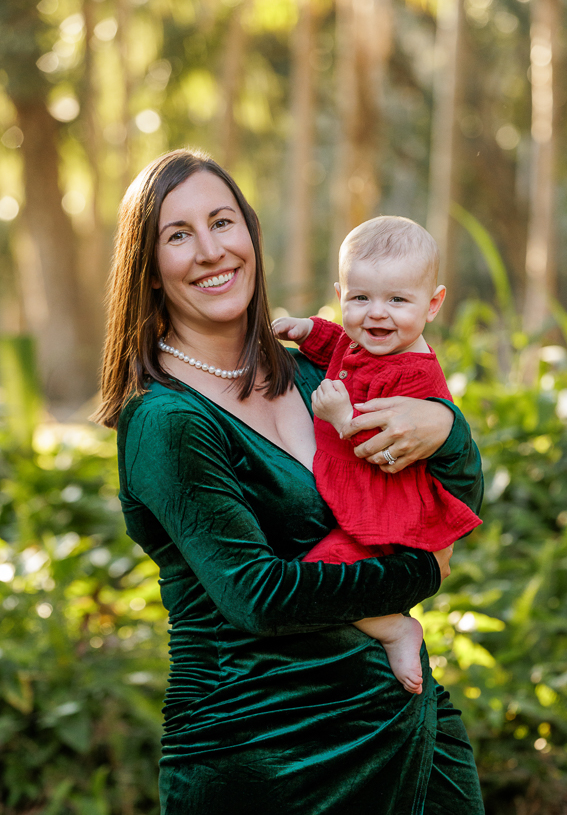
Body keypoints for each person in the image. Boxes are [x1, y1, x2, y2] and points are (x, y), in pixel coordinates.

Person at [93, 148, 485, 815]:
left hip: (407, 729)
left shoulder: (315, 372)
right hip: (267, 756)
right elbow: (260, 596)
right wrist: (422, 578)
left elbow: (439, 501)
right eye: (178, 235)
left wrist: (444, 428)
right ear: (150, 270)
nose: (212, 251)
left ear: (250, 234)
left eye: (223, 222)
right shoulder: (166, 419)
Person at [272, 216, 482, 696]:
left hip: (387, 510)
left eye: (397, 300)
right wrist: (308, 330)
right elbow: (340, 346)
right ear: (340, 293)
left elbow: (382, 443)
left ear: (432, 305)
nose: (376, 315)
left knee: (322, 573)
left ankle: (393, 626)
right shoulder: (369, 339)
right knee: (324, 569)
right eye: (360, 298)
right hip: (361, 505)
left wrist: (342, 417)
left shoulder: (415, 375)